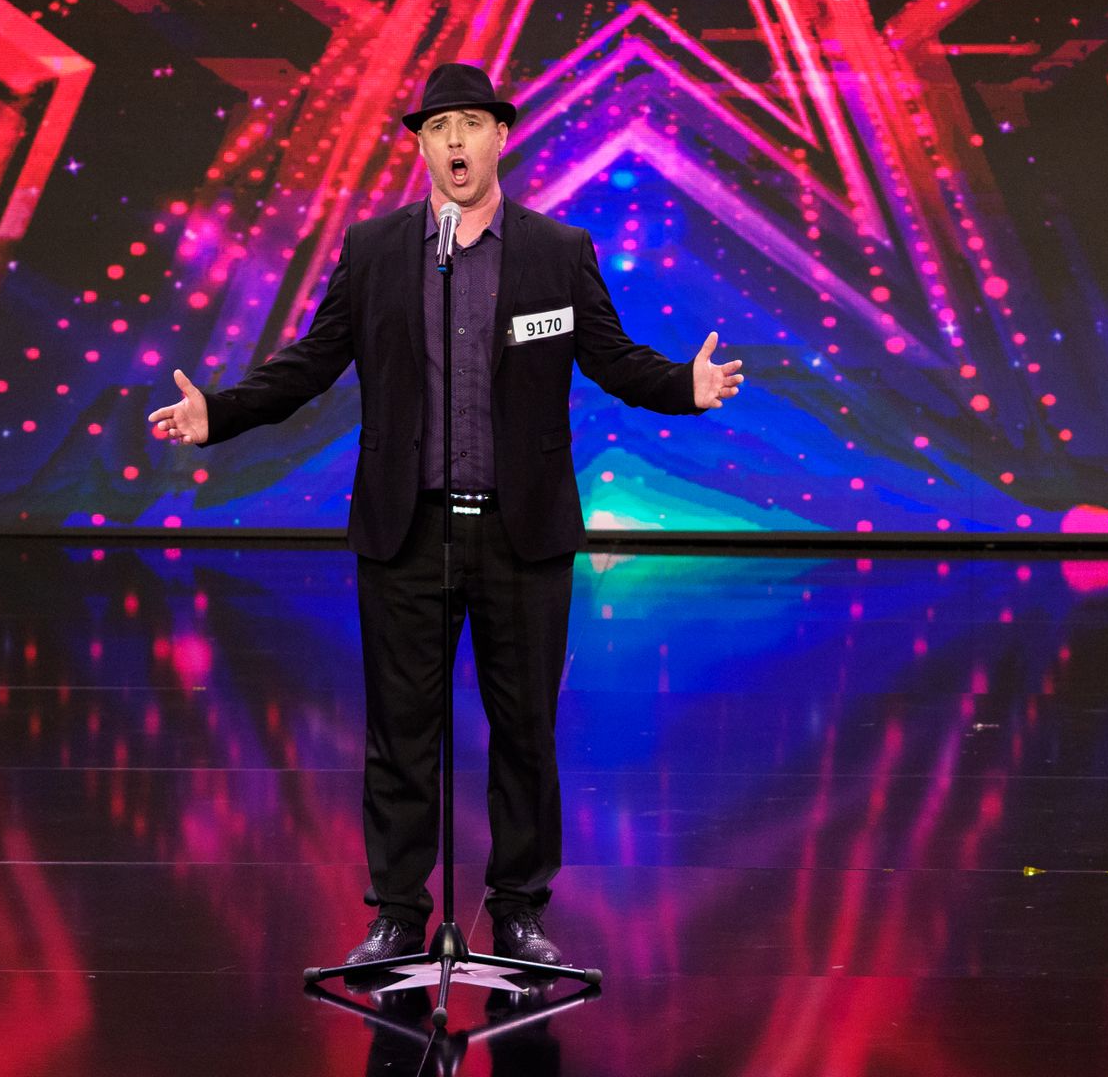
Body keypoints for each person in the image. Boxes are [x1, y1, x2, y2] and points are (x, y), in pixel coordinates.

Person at [149, 63, 744, 967]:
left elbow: (612, 357)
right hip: (408, 530)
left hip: (521, 531)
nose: (455, 141)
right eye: (438, 128)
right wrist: (218, 413)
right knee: (401, 732)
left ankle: (518, 912)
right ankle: (398, 913)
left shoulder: (556, 251)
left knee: (525, 732)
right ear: (422, 146)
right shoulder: (376, 251)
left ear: (501, 135)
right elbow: (312, 362)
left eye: (470, 124)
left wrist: (682, 387)